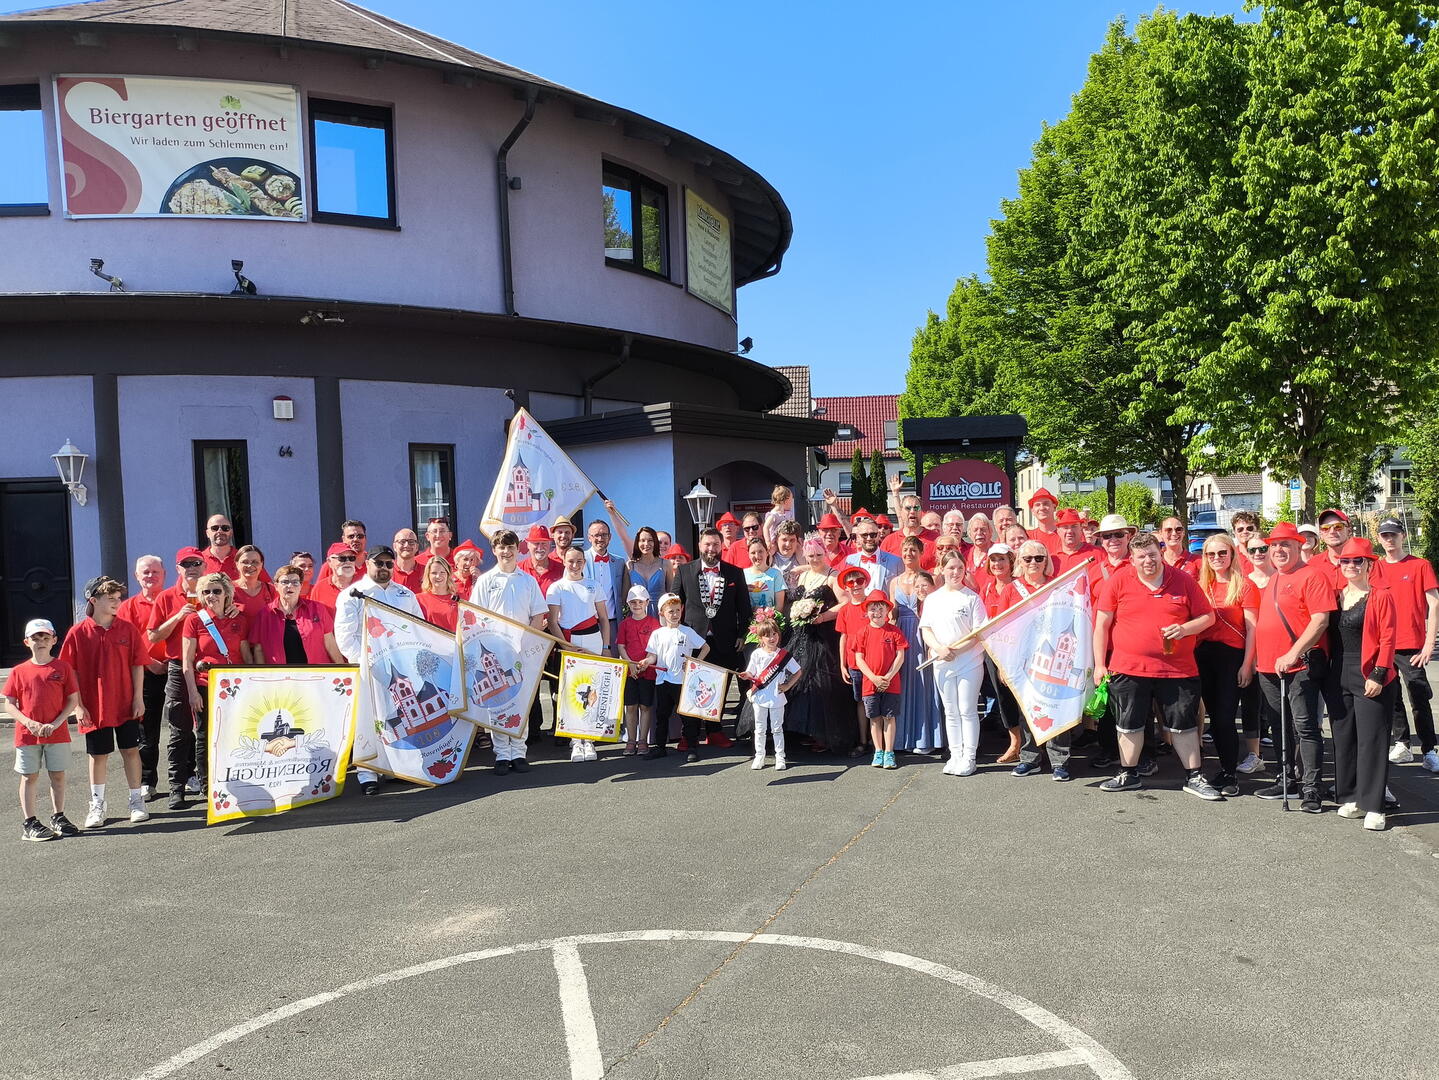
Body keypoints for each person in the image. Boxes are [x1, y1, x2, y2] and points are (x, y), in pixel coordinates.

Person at [1093, 531, 1219, 799]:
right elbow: (1102, 625)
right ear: (1132, 559)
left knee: (1183, 724)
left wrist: (1184, 629)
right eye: (1141, 557)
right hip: (1128, 668)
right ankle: (1128, 773)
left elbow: (1208, 618)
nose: (1148, 561)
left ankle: (1194, 776)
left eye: (1152, 554)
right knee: (1128, 723)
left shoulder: (1183, 580)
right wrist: (1099, 664)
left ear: (1161, 553)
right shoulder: (1118, 580)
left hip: (1177, 669)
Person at [1251, 522, 1336, 811]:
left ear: (1299, 546)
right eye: (1274, 545)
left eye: (1285, 544)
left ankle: (1312, 788)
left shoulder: (1313, 575)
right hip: (1268, 666)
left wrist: (1292, 654)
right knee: (1279, 725)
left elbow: (1320, 620)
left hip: (1300, 665)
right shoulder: (1274, 578)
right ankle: (1286, 778)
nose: (1278, 549)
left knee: (1305, 726)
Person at [59, 577, 149, 828]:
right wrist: (78, 705)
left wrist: (138, 698)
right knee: (98, 755)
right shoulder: (78, 632)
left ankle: (136, 800)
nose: (117, 602)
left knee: (131, 750)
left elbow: (137, 665)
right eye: (111, 598)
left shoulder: (127, 629)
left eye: (118, 598)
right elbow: (70, 672)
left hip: (125, 702)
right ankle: (97, 805)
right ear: (93, 600)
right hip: (93, 706)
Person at [335, 547, 423, 795]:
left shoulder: (405, 594)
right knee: (369, 722)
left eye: (388, 564)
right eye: (378, 563)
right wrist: (365, 663)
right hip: (369, 669)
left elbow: (417, 627)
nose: (384, 568)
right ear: (367, 564)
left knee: (400, 718)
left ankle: (397, 768)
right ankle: (368, 773)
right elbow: (345, 636)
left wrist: (411, 662)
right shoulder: (352, 595)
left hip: (400, 669)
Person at [1330, 538, 1397, 830]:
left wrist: (1379, 674)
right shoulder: (1335, 596)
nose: (1351, 566)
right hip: (1337, 672)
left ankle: (1374, 805)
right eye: (1345, 561)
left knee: (1372, 740)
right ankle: (1352, 797)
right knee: (1344, 737)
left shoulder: (1380, 596)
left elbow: (1388, 638)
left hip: (1369, 671)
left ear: (1369, 564)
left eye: (1358, 561)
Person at [470, 530, 549, 774]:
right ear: (494, 550)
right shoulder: (486, 581)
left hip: (521, 652)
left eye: (510, 547)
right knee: (498, 704)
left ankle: (519, 752)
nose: (506, 552)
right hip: (493, 653)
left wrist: (527, 643)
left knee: (521, 701)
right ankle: (502, 754)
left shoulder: (528, 581)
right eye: (501, 547)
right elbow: (476, 617)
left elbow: (538, 615)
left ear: (518, 549)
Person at [1194, 533, 1258, 797]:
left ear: (1232, 554)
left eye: (1222, 552)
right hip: (1203, 655)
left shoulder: (1245, 585)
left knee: (1225, 717)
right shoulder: (1201, 586)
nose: (1217, 558)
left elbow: (1252, 629)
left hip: (1232, 656)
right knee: (1213, 715)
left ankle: (1230, 773)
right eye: (1211, 554)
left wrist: (1247, 664)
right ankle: (1221, 769)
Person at [675, 527, 751, 747]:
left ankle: (714, 731)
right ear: (699, 546)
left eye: (715, 544)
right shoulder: (684, 571)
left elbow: (744, 607)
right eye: (707, 544)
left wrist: (742, 634)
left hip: (724, 639)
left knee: (719, 686)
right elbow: (674, 603)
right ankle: (689, 734)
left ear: (721, 547)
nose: (711, 549)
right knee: (692, 685)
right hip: (694, 639)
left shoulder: (734, 572)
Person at [1373, 517, 1439, 770]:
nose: (1389, 539)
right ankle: (1402, 744)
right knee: (1391, 697)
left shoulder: (1420, 565)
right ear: (1379, 539)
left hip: (1411, 644)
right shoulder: (1375, 568)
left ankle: (1429, 749)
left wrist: (1429, 644)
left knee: (1419, 696)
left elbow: (1434, 603)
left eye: (1393, 534)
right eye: (1385, 535)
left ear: (1403, 535)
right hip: (1383, 644)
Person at [6, 619, 80, 842]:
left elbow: (72, 700)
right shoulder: (19, 671)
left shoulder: (62, 668)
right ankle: (29, 823)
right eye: (36, 638)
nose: (41, 642)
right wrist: (28, 722)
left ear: (54, 640)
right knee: (29, 776)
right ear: (27, 642)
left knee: (57, 774)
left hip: (56, 732)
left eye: (46, 637)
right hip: (27, 735)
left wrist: (57, 723)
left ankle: (58, 816)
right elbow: (9, 704)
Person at [180, 573, 250, 806]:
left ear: (227, 593)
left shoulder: (240, 620)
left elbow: (246, 656)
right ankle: (208, 783)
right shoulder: (194, 620)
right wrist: (192, 693)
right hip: (205, 685)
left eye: (216, 591)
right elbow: (187, 661)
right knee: (205, 735)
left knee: (234, 734)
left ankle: (234, 778)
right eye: (206, 592)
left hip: (235, 687)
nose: (211, 596)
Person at [146, 547, 207, 808]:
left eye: (196, 563)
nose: (191, 568)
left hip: (208, 666)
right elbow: (153, 636)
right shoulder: (166, 597)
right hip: (178, 666)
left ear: (204, 566)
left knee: (207, 729)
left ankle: (207, 784)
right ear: (178, 569)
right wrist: (178, 616)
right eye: (186, 564)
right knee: (179, 729)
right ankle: (177, 787)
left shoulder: (212, 591)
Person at [784, 536, 854, 755]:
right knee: (799, 680)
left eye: (819, 555)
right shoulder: (804, 574)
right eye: (811, 556)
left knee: (822, 683)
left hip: (823, 635)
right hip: (802, 635)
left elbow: (846, 603)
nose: (815, 559)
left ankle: (824, 734)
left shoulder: (833, 577)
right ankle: (804, 730)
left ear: (825, 553)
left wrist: (822, 616)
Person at [920, 550, 986, 776]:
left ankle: (970, 757)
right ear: (942, 569)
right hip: (941, 662)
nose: (955, 572)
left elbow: (978, 633)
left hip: (969, 661)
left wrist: (956, 650)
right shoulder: (932, 599)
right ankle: (955, 754)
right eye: (951, 568)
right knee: (951, 711)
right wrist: (939, 649)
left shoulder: (972, 598)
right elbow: (926, 629)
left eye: (960, 568)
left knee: (967, 710)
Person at [549, 547, 611, 762]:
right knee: (572, 690)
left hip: (593, 638)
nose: (575, 565)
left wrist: (605, 646)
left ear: (584, 562)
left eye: (579, 561)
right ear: (564, 561)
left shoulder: (594, 585)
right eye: (570, 561)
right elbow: (553, 621)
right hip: (569, 640)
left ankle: (590, 738)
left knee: (592, 688)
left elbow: (604, 618)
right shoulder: (556, 587)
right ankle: (576, 740)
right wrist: (566, 646)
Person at [117, 555, 168, 800]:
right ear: (137, 576)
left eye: (155, 572)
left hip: (177, 669)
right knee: (148, 731)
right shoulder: (127, 607)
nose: (150, 576)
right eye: (145, 572)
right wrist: (151, 663)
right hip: (145, 674)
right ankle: (148, 780)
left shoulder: (173, 600)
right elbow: (125, 643)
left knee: (184, 727)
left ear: (164, 574)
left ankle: (188, 774)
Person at [639, 593, 709, 761]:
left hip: (682, 681)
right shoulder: (657, 634)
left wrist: (694, 662)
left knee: (687, 716)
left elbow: (705, 647)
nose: (675, 614)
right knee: (662, 715)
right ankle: (660, 747)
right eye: (671, 611)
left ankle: (692, 747)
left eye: (678, 610)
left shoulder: (687, 631)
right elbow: (652, 656)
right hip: (662, 680)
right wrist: (646, 662)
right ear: (662, 613)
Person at [892, 539, 943, 755]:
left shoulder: (930, 577)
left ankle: (925, 738)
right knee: (904, 683)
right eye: (905, 550)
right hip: (903, 634)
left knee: (924, 683)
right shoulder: (894, 581)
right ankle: (902, 739)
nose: (909, 554)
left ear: (921, 552)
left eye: (913, 550)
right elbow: (893, 612)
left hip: (924, 633)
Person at [976, 544, 1023, 763]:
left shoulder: (1020, 586)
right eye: (993, 559)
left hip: (1018, 649)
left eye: (1002, 559)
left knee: (1022, 698)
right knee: (1004, 698)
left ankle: (1033, 746)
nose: (997, 564)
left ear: (1011, 561)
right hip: (994, 651)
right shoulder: (986, 588)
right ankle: (1015, 744)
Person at [246, 563, 343, 664]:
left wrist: (343, 669)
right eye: (285, 582)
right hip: (279, 673)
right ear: (276, 586)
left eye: (295, 582)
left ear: (301, 586)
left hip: (315, 672)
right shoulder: (265, 614)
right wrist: (262, 672)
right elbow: (259, 649)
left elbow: (330, 643)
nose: (290, 586)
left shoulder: (317, 609)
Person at [854, 590, 907, 769]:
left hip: (891, 683)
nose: (876, 613)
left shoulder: (895, 631)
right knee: (874, 718)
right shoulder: (862, 632)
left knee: (889, 717)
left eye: (880, 609)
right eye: (872, 609)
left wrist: (888, 677)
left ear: (887, 611)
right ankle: (878, 750)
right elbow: (859, 659)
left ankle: (889, 752)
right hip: (870, 683)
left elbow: (900, 656)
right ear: (867, 611)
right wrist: (873, 678)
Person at [1237, 530, 1276, 775]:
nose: (1258, 553)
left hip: (1278, 652)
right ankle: (1254, 755)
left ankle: (1288, 760)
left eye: (1263, 548)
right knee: (1251, 705)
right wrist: (1249, 659)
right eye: (1253, 550)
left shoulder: (1281, 578)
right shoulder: (1243, 582)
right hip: (1251, 652)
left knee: (1278, 708)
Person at [743, 616, 801, 770]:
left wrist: (788, 685)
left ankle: (780, 757)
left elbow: (798, 671)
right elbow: (751, 672)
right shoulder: (756, 654)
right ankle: (759, 756)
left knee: (777, 728)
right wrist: (746, 675)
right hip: (760, 696)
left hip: (777, 696)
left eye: (774, 634)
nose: (772, 638)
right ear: (760, 638)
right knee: (760, 729)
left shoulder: (783, 655)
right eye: (767, 635)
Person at [834, 565, 876, 754]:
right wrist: (842, 664)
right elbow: (843, 637)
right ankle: (863, 740)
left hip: (874, 660)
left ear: (865, 582)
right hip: (854, 662)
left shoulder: (873, 605)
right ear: (845, 587)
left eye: (859, 581)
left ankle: (877, 741)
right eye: (850, 583)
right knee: (860, 701)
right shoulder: (844, 610)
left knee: (875, 700)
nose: (855, 585)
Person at [616, 585, 659, 755]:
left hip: (647, 671)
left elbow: (654, 649)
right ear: (628, 603)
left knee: (645, 706)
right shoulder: (624, 624)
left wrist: (646, 662)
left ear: (647, 602)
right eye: (633, 602)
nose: (637, 605)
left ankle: (643, 741)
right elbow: (621, 646)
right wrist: (630, 664)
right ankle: (631, 740)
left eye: (640, 602)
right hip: (630, 672)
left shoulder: (654, 623)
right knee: (631, 706)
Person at [584, 518, 628, 636]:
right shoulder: (579, 559)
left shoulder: (619, 562)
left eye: (604, 535)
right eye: (596, 535)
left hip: (613, 622)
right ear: (589, 537)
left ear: (610, 537)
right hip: (587, 624)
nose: (600, 539)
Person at [881, 479, 937, 568]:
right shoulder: (889, 541)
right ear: (901, 512)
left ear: (921, 512)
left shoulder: (936, 539)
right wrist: (895, 494)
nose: (912, 511)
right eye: (908, 508)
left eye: (916, 508)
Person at [844, 518, 903, 592]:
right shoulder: (849, 561)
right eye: (864, 535)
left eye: (873, 535)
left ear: (878, 535)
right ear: (858, 537)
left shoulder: (896, 562)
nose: (869, 538)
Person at [309, 543, 359, 611]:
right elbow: (313, 613)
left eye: (351, 558)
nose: (348, 562)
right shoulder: (319, 588)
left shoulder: (364, 585)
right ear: (329, 562)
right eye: (342, 558)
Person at [231, 545, 276, 620]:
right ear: (237, 564)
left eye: (255, 562)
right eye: (245, 562)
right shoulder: (228, 589)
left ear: (261, 564)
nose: (250, 565)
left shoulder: (271, 589)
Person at [416, 556, 460, 632]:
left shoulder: (460, 599)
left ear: (448, 574)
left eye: (442, 572)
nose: (438, 576)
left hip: (453, 639)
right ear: (428, 575)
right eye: (434, 573)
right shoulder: (418, 599)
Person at [1051, 508, 1100, 575]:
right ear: (1058, 531)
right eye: (1065, 527)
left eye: (1074, 526)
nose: (1070, 531)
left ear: (1081, 529)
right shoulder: (1052, 560)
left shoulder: (1098, 554)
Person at [744, 538, 786, 613]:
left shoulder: (776, 574)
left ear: (767, 552)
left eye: (760, 551)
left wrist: (768, 617)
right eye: (753, 553)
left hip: (770, 619)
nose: (757, 556)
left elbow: (779, 606)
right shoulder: (743, 574)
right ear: (748, 555)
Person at [201, 513, 241, 578]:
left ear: (231, 532)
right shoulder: (199, 560)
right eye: (214, 528)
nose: (220, 531)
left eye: (225, 528)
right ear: (207, 533)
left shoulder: (242, 558)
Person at [771, 521, 804, 598]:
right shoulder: (770, 558)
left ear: (797, 541)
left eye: (792, 540)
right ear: (776, 540)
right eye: (784, 540)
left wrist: (802, 565)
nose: (788, 544)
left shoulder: (803, 557)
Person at [1026, 489, 1061, 554]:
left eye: (1046, 504)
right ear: (1032, 511)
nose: (1042, 508)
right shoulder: (1028, 536)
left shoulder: (1066, 534)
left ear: (1054, 507)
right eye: (1037, 505)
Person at [762, 485, 795, 552]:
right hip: (775, 541)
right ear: (785, 500)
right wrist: (768, 542)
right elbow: (766, 527)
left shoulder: (787, 513)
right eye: (791, 499)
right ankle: (769, 558)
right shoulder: (774, 515)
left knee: (798, 547)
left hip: (787, 539)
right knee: (772, 550)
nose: (792, 502)